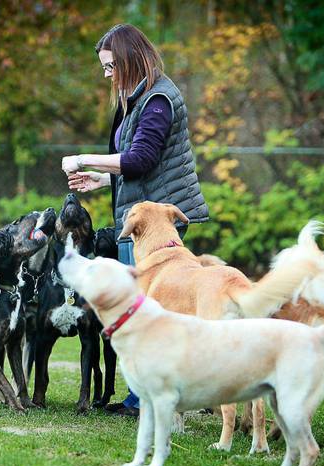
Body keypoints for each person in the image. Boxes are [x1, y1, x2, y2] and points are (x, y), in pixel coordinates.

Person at [61, 23, 209, 416]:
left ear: (128, 59)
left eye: (110, 66)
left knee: (153, 313)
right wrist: (101, 177)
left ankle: (153, 397)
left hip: (156, 224)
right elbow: (134, 163)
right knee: (148, 310)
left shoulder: (158, 99)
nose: (107, 75)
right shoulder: (141, 96)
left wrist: (83, 158)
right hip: (143, 215)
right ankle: (148, 395)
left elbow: (142, 159)